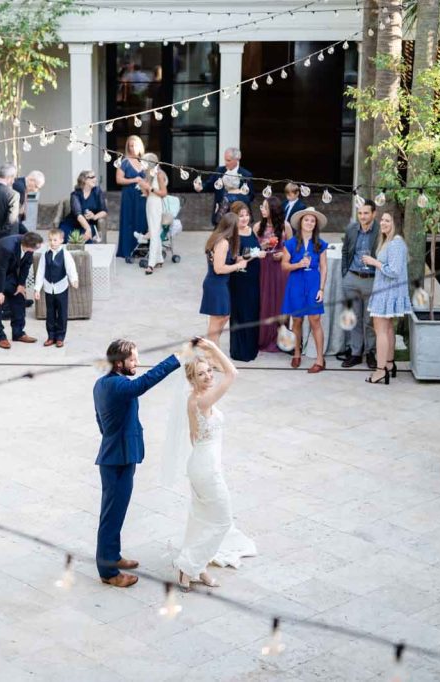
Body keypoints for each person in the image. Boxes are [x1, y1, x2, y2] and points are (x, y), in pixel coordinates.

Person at [164, 338, 257, 591]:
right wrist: (214, 349)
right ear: (192, 380)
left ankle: (198, 568)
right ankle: (187, 565)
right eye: (201, 374)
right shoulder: (202, 401)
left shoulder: (195, 398)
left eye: (208, 371)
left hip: (201, 464)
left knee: (201, 518)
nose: (208, 376)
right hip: (205, 469)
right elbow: (233, 372)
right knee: (222, 520)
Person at [93, 339, 181, 587]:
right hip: (117, 459)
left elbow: (100, 420)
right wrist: (177, 358)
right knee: (111, 515)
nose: (137, 363)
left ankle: (113, 556)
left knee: (115, 512)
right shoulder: (120, 386)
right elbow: (146, 382)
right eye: (133, 359)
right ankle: (108, 573)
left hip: (117, 454)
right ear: (120, 363)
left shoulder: (102, 384)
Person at [362, 212, 412, 384]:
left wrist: (374, 262)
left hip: (387, 292)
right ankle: (389, 364)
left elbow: (394, 271)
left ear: (395, 223)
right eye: (382, 220)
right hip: (384, 290)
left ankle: (380, 370)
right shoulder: (388, 241)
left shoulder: (396, 243)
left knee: (380, 331)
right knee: (388, 328)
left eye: (387, 220)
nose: (383, 223)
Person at [281, 208, 328, 373]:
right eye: (306, 220)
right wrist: (297, 265)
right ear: (301, 222)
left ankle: (320, 360)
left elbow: (324, 267)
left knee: (315, 320)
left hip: (314, 283)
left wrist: (321, 289)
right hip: (296, 283)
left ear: (315, 225)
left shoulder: (320, 244)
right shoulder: (291, 243)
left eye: (312, 221)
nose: (309, 223)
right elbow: (284, 265)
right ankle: (296, 353)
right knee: (297, 320)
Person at [0, 232, 42, 349]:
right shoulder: (7, 247)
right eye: (37, 247)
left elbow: (26, 266)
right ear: (27, 246)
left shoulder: (29, 249)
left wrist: (21, 284)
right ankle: (0, 337)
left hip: (7, 268)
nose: (39, 248)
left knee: (19, 296)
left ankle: (18, 333)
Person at [340, 200, 380, 369]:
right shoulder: (351, 229)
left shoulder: (379, 230)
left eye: (366, 213)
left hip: (371, 279)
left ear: (374, 213)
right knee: (354, 317)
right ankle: (356, 353)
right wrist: (345, 274)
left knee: (370, 320)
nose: (363, 216)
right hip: (352, 279)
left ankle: (371, 352)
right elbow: (345, 251)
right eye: (360, 213)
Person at [200, 213, 248, 344]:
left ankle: (211, 347)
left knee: (224, 316)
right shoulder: (223, 243)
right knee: (217, 320)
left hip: (218, 283)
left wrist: (236, 259)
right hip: (216, 284)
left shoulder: (219, 239)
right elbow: (219, 268)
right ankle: (211, 353)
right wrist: (238, 266)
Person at [32, 228, 79, 348]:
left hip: (61, 288)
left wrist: (74, 279)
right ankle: (51, 336)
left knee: (62, 313)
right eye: (50, 240)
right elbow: (40, 271)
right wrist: (37, 288)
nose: (52, 242)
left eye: (55, 240)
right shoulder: (45, 254)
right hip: (49, 288)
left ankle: (60, 337)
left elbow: (70, 268)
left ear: (61, 241)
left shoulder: (65, 254)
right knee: (50, 313)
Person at [257, 195, 291, 353]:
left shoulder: (286, 226)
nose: (262, 210)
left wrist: (283, 255)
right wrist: (262, 246)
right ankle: (263, 337)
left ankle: (282, 339)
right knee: (264, 301)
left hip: (280, 269)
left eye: (265, 207)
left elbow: (292, 250)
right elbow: (250, 251)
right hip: (263, 268)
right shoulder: (258, 226)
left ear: (273, 209)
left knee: (280, 302)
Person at [226, 202, 260, 361]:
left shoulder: (251, 230)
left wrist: (263, 247)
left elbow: (254, 248)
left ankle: (252, 347)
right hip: (239, 278)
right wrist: (255, 254)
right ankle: (240, 350)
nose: (245, 218)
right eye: (241, 216)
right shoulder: (232, 235)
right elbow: (235, 258)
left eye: (247, 215)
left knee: (253, 310)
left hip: (253, 277)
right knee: (241, 312)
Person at [194, 147, 254, 225]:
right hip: (221, 212)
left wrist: (239, 197)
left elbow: (251, 195)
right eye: (225, 159)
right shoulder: (219, 170)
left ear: (237, 159)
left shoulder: (246, 174)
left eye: (228, 160)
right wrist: (200, 187)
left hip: (239, 215)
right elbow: (210, 184)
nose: (226, 163)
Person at [115, 135, 147, 259]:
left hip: (142, 196)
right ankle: (127, 250)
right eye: (131, 146)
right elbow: (118, 180)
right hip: (129, 195)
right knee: (128, 221)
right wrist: (134, 180)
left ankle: (139, 249)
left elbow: (149, 179)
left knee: (141, 221)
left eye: (135, 145)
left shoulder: (144, 162)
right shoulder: (124, 162)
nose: (133, 148)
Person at [137, 152, 168, 275]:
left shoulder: (159, 174)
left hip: (156, 204)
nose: (142, 165)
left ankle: (151, 264)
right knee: (154, 230)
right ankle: (159, 259)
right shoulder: (149, 175)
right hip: (150, 203)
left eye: (144, 162)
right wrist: (143, 186)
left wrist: (149, 188)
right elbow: (147, 194)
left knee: (154, 233)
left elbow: (164, 193)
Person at [60, 170, 108, 243]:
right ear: (84, 180)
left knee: (86, 240)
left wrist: (94, 216)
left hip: (89, 223)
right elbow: (78, 214)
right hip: (72, 224)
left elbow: (104, 211)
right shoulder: (75, 194)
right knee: (66, 239)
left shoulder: (97, 191)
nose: (95, 179)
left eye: (95, 177)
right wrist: (88, 229)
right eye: (92, 177)